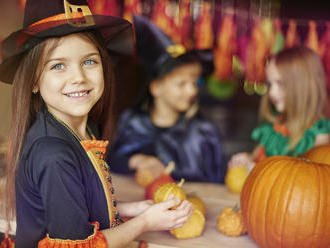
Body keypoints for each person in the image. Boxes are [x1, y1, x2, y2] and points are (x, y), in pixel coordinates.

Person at [2, 1, 193, 247]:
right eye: (58, 65)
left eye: (89, 61)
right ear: (34, 82)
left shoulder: (83, 129)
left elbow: (77, 206)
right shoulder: (53, 154)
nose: (79, 78)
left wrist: (132, 208)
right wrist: (145, 222)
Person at [107, 15, 226, 183]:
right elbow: (111, 165)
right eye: (181, 83)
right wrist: (135, 160)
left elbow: (218, 183)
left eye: (195, 82)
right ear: (156, 87)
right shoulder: (133, 123)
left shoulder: (205, 132)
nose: (192, 90)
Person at [228, 46, 330, 171]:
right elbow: (257, 161)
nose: (272, 92)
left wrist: (258, 169)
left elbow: (313, 179)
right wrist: (246, 161)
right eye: (270, 84)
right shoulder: (272, 128)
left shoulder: (319, 134)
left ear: (304, 86)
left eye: (280, 84)